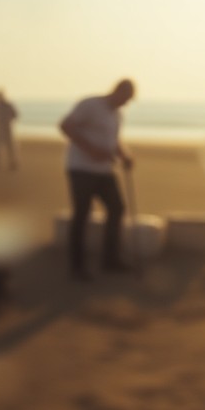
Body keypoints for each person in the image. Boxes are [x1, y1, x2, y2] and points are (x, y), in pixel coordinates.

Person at [59, 79, 136, 281]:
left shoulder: (117, 114)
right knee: (83, 215)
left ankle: (110, 259)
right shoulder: (90, 105)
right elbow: (66, 126)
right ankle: (77, 268)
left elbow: (114, 139)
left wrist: (124, 155)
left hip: (104, 171)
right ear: (117, 91)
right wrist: (91, 150)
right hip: (81, 169)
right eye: (126, 99)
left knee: (117, 208)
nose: (126, 104)